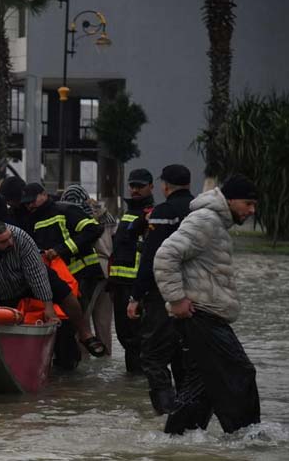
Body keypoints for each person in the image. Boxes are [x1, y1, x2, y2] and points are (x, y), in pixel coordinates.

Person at [155, 174, 260, 435]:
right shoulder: (206, 220)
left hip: (205, 316)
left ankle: (178, 438)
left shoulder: (215, 223)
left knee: (200, 387)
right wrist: (176, 299)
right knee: (239, 374)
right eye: (248, 203)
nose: (252, 210)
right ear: (231, 200)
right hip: (202, 315)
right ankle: (249, 439)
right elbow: (165, 255)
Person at [0, 220, 105, 359]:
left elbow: (37, 273)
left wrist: (48, 307)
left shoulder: (20, 238)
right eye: (4, 242)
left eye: (10, 237)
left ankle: (85, 333)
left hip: (25, 281)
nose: (10, 242)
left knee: (63, 290)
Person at [127, 164, 194, 415]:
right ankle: (189, 409)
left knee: (153, 356)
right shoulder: (198, 210)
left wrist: (136, 296)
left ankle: (167, 415)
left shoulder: (163, 211)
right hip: (195, 293)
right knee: (182, 354)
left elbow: (151, 257)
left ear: (164, 186)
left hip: (162, 293)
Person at [19, 183, 106, 365]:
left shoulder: (65, 210)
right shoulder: (32, 219)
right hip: (58, 279)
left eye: (32, 201)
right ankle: (70, 364)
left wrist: (61, 250)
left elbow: (94, 230)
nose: (30, 206)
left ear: (43, 194)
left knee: (74, 322)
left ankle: (78, 364)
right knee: (64, 324)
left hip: (82, 273)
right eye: (26, 203)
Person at [60, 184, 116, 355]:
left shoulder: (76, 217)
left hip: (88, 270)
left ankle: (83, 359)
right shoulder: (107, 216)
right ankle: (106, 356)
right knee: (104, 321)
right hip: (108, 270)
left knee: (82, 320)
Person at [109, 168, 155, 373]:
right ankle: (133, 382)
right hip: (119, 283)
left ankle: (141, 380)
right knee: (125, 336)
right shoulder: (129, 212)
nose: (135, 190)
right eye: (132, 185)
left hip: (136, 285)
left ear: (151, 187)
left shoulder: (151, 214)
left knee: (137, 337)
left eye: (140, 186)